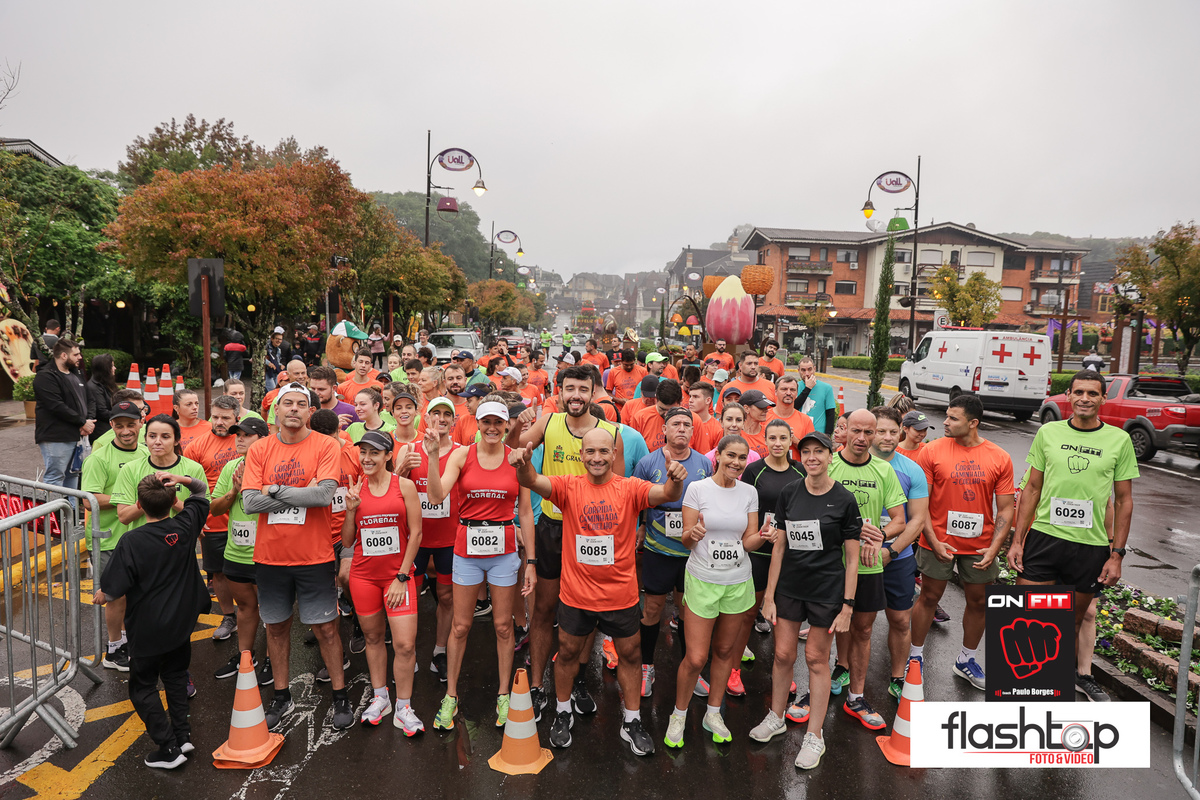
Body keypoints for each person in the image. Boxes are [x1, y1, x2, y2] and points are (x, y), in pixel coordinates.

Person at [513, 428, 685, 756]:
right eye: (590, 451)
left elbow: (665, 493)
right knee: (566, 654)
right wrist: (523, 465)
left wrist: (675, 479)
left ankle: (631, 721)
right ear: (581, 455)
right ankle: (563, 712)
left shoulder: (630, 487)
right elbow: (533, 480)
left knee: (630, 655)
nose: (597, 458)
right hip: (576, 595)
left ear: (614, 455)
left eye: (603, 451)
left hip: (620, 595)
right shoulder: (568, 486)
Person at [1008, 370, 1137, 697]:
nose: (1084, 399)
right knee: (1026, 617)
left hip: (1089, 546)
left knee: (1070, 623)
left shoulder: (1119, 440)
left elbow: (1124, 500)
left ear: (1103, 398)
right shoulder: (1048, 432)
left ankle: (1053, 689)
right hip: (1044, 539)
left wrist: (1117, 554)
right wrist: (1017, 540)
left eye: (1092, 393)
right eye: (1079, 392)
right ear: (1068, 395)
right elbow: (1032, 488)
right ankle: (1021, 692)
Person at [507, 364, 622, 719]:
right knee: (544, 609)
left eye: (583, 389)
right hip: (553, 530)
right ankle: (538, 686)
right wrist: (518, 426)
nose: (576, 395)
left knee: (588, 612)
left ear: (593, 392)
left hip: (591, 533)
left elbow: (617, 490)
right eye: (569, 388)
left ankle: (578, 681)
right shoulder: (549, 422)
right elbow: (512, 448)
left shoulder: (610, 432)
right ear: (559, 392)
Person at [239, 383, 353, 731]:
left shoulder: (326, 445)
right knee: (276, 629)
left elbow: (323, 496)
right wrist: (301, 492)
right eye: (286, 403)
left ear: (310, 411)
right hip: (270, 558)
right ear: (275, 410)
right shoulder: (260, 449)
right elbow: (249, 502)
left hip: (314, 556)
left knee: (327, 629)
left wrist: (273, 489)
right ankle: (281, 696)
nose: (293, 409)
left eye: (300, 404)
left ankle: (340, 695)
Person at [424, 402, 536, 729]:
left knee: (503, 626)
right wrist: (433, 456)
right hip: (467, 548)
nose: (492, 428)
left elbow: (525, 512)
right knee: (460, 626)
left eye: (498, 422)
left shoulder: (516, 458)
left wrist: (530, 561)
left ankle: (504, 695)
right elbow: (435, 496)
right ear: (477, 423)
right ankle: (451, 695)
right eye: (486, 421)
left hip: (503, 550)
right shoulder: (462, 455)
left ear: (506, 425)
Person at [753, 431, 861, 769]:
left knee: (816, 658)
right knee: (783, 654)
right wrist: (769, 596)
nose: (812, 457)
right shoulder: (790, 492)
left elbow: (853, 559)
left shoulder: (844, 499)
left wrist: (848, 606)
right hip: (790, 587)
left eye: (819, 452)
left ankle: (815, 735)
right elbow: (779, 547)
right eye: (807, 452)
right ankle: (776, 716)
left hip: (826, 590)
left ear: (831, 456)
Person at [94, 470, 210, 769]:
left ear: (139, 505)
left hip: (148, 628)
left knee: (143, 687)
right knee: (176, 676)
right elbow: (200, 491)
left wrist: (102, 594)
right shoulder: (186, 525)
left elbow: (113, 587)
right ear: (173, 502)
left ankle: (168, 748)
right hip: (181, 623)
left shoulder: (131, 541)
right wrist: (181, 479)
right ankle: (182, 735)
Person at [906, 396, 1012, 692]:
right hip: (937, 540)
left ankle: (966, 659)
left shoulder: (999, 457)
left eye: (953, 418)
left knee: (979, 602)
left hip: (980, 547)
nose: (945, 422)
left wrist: (995, 547)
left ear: (973, 423)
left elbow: (1005, 508)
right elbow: (921, 502)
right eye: (947, 416)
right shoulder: (932, 451)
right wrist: (932, 539)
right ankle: (914, 657)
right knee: (929, 597)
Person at [665, 434, 761, 747]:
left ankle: (713, 712)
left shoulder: (749, 492)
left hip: (737, 581)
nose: (736, 462)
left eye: (742, 457)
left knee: (724, 652)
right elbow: (686, 541)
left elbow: (748, 542)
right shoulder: (697, 488)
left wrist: (764, 536)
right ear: (717, 455)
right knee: (695, 658)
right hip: (703, 580)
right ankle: (678, 714)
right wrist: (692, 533)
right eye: (730, 455)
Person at [826, 409, 906, 730]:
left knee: (863, 629)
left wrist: (880, 536)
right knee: (828, 626)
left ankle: (856, 697)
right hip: (830, 564)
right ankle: (827, 677)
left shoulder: (884, 470)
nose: (861, 438)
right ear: (844, 430)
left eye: (868, 433)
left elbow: (900, 520)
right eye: (856, 431)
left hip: (867, 566)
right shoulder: (828, 464)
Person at [109, 415, 208, 671]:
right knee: (141, 614)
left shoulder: (192, 469)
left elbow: (200, 510)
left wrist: (171, 499)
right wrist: (150, 498)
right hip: (143, 555)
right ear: (145, 438)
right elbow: (123, 516)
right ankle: (142, 668)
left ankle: (179, 674)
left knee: (179, 614)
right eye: (152, 436)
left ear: (176, 440)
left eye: (165, 436)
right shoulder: (131, 469)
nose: (157, 442)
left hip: (177, 555)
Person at [341, 430, 424, 730]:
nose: (367, 458)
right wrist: (350, 511)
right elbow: (347, 541)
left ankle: (404, 706)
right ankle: (380, 698)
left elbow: (416, 533)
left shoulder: (405, 486)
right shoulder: (356, 490)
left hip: (397, 576)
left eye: (374, 453)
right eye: (363, 452)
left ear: (388, 456)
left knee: (404, 645)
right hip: (363, 577)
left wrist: (402, 575)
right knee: (373, 639)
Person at [634, 407, 712, 697]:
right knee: (652, 609)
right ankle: (646, 666)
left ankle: (691, 670)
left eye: (686, 425)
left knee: (687, 612)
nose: (681, 428)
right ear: (664, 430)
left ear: (693, 431)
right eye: (675, 423)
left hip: (693, 553)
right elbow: (636, 500)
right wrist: (641, 526)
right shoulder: (647, 462)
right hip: (659, 550)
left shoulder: (704, 463)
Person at [867, 406, 932, 700]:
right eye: (880, 431)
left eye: (893, 431)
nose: (887, 437)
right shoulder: (848, 463)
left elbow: (917, 519)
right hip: (858, 557)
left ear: (901, 432)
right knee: (858, 622)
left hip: (898, 558)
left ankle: (897, 675)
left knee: (901, 621)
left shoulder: (912, 470)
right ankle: (843, 668)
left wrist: (891, 552)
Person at [81, 401, 147, 672]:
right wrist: (130, 499)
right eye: (119, 426)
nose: (126, 430)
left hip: (138, 537)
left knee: (135, 594)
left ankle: (129, 640)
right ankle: (114, 648)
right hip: (108, 539)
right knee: (115, 595)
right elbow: (89, 500)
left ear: (141, 423)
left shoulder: (146, 452)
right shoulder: (98, 458)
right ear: (111, 426)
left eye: (131, 424)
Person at [209, 416, 272, 683]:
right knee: (245, 608)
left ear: (263, 440)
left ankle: (272, 660)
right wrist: (234, 491)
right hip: (236, 552)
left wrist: (251, 486)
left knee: (271, 612)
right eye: (238, 435)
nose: (240, 439)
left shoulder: (273, 466)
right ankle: (245, 657)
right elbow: (215, 509)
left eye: (247, 435)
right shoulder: (231, 467)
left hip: (267, 554)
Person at [739, 418, 806, 667]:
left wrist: (787, 532)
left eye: (783, 438)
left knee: (784, 614)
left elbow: (806, 508)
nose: (777, 443)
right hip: (758, 552)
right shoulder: (754, 470)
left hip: (789, 555)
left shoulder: (801, 470)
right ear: (765, 440)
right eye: (772, 438)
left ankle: (782, 663)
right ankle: (736, 660)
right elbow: (743, 507)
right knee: (749, 611)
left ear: (790, 441)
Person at [183, 396, 243, 643]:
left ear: (237, 417)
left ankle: (256, 613)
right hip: (213, 520)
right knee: (218, 573)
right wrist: (195, 518)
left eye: (225, 418)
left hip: (246, 517)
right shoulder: (196, 446)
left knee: (252, 571)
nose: (219, 422)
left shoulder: (245, 440)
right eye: (215, 417)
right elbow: (190, 487)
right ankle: (229, 616)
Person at [407, 398, 460, 681]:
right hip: (415, 539)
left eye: (446, 414)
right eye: (435, 413)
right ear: (426, 418)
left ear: (454, 421)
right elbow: (394, 486)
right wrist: (401, 468)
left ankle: (440, 651)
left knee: (447, 597)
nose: (441, 418)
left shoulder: (461, 453)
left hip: (449, 539)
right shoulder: (410, 450)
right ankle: (408, 651)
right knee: (411, 597)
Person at [34, 338, 93, 491]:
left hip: (77, 435)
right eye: (76, 354)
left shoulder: (76, 373)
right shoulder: (45, 376)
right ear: (64, 356)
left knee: (73, 475)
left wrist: (88, 420)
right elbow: (56, 406)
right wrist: (82, 422)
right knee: (55, 476)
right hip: (56, 436)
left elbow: (89, 398)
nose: (80, 357)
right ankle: (53, 507)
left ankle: (70, 507)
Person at [629, 380, 685, 453]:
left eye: (672, 410)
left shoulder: (692, 420)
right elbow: (633, 451)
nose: (666, 414)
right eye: (662, 409)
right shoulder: (640, 418)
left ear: (681, 401)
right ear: (656, 398)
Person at [767, 375, 816, 458]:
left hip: (795, 465)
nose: (788, 393)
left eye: (792, 390)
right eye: (784, 389)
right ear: (775, 392)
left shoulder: (805, 420)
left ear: (796, 394)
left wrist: (794, 440)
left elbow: (812, 452)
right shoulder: (764, 417)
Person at [704, 402, 762, 468]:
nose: (734, 424)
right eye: (729, 419)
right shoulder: (709, 458)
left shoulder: (754, 457)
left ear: (744, 423)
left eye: (738, 420)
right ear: (721, 422)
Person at [797, 356, 838, 435]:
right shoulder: (795, 386)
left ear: (814, 369)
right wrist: (808, 388)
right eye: (803, 370)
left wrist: (828, 435)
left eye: (809, 369)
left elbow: (830, 413)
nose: (807, 373)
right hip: (799, 432)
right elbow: (794, 407)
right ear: (799, 371)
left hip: (818, 433)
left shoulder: (826, 387)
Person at [86, 353, 119, 444]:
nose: (115, 368)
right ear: (105, 369)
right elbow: (102, 412)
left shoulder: (106, 384)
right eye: (112, 366)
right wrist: (121, 414)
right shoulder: (94, 387)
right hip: (102, 431)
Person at [736, 390, 775, 459]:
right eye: (761, 407)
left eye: (766, 407)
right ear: (746, 408)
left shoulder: (769, 432)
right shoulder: (736, 434)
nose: (766, 410)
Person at [688, 383, 723, 454]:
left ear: (708, 400)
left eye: (695, 397)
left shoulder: (717, 429)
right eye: (690, 396)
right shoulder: (682, 422)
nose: (690, 400)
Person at [173, 389, 212, 454]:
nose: (195, 407)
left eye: (197, 403)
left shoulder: (209, 427)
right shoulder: (170, 428)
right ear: (176, 408)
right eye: (189, 404)